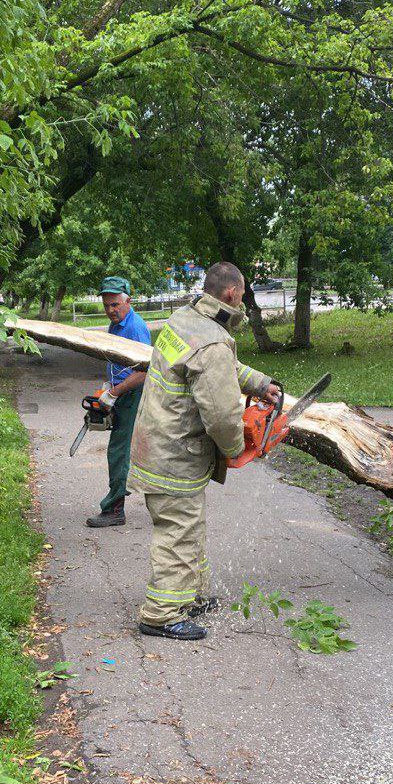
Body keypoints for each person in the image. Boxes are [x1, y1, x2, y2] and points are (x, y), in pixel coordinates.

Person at [128, 261, 279, 640]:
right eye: (243, 295)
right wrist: (236, 448)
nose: (242, 301)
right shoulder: (212, 340)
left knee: (189, 528)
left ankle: (186, 597)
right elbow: (224, 415)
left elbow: (220, 367)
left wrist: (259, 384)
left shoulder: (184, 320)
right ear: (231, 294)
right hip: (174, 456)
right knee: (179, 533)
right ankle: (160, 614)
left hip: (158, 443)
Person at [85, 276, 151, 528]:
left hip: (133, 395)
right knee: (135, 450)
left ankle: (114, 509)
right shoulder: (116, 325)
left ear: (128, 301)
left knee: (119, 452)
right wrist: (108, 388)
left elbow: (144, 370)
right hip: (121, 392)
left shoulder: (135, 328)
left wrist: (115, 393)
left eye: (115, 304)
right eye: (107, 305)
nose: (111, 310)